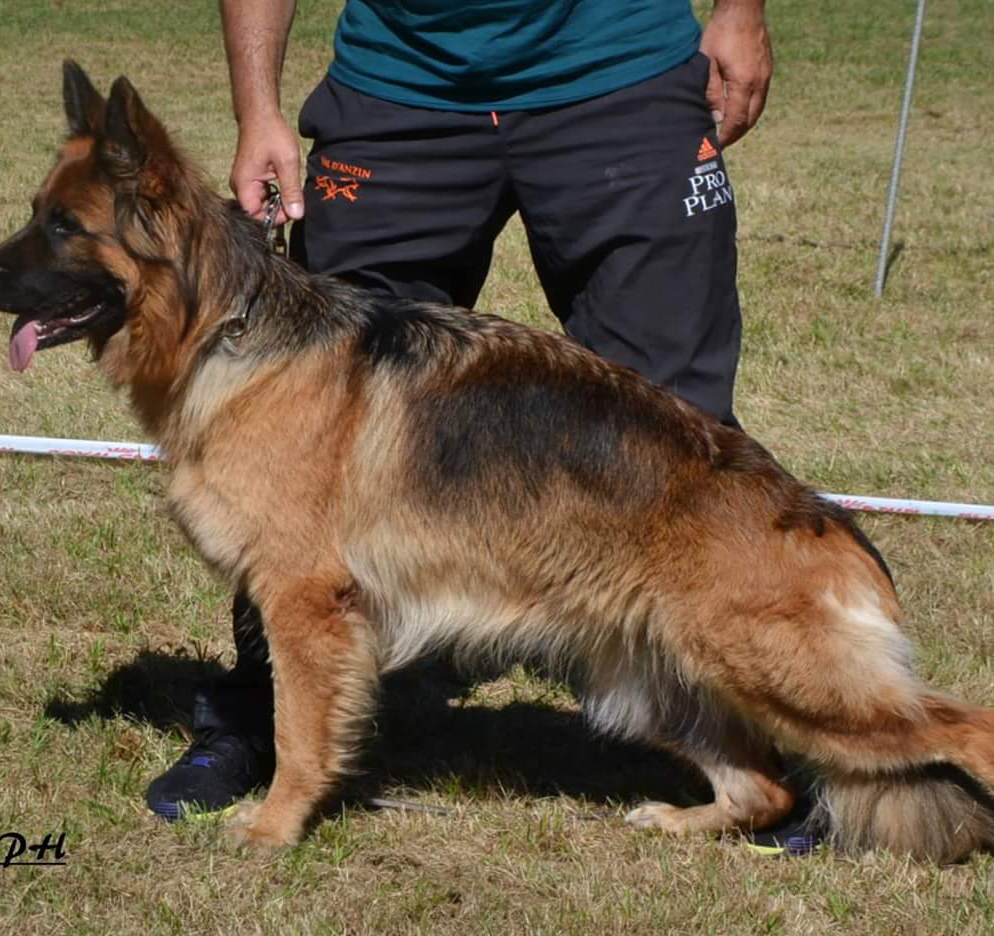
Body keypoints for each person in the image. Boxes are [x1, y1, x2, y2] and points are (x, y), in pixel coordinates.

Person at [145, 0, 774, 820]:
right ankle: (267, 720)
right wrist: (257, 106)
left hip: (618, 72)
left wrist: (741, 11)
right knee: (301, 430)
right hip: (399, 87)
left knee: (679, 429)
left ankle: (771, 736)